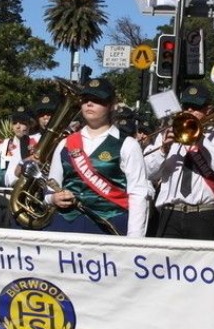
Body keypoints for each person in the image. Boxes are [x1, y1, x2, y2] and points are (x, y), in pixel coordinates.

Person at [44, 77, 151, 238]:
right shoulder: (66, 143)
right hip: (67, 226)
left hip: (109, 226)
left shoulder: (128, 145)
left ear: (111, 105)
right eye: (85, 99)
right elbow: (50, 188)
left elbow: (138, 195)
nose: (89, 104)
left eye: (97, 100)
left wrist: (134, 241)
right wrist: (53, 198)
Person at [144, 84, 214, 241]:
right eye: (186, 107)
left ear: (208, 110)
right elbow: (148, 173)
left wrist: (199, 139)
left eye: (196, 107)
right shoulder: (169, 132)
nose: (190, 111)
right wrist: (163, 150)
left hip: (203, 214)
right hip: (169, 212)